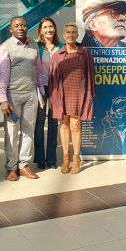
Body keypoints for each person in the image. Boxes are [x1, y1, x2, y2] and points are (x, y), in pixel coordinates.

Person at [0, 16, 45, 181]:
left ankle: (23, 165)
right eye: (16, 26)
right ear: (11, 29)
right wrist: (3, 99)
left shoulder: (33, 46)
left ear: (27, 28)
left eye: (23, 25)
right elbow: (2, 76)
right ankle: (11, 167)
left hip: (31, 94)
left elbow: (38, 71)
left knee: (28, 130)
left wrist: (41, 92)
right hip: (13, 96)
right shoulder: (5, 47)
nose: (20, 28)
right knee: (11, 132)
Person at [49, 22, 96, 174]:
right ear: (64, 35)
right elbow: (52, 78)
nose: (70, 35)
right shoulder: (57, 55)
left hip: (78, 92)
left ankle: (76, 159)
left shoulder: (85, 53)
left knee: (75, 126)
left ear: (77, 35)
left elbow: (90, 75)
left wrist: (90, 94)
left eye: (73, 32)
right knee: (63, 125)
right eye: (68, 32)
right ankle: (65, 158)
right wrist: (52, 96)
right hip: (62, 93)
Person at [34, 17, 63, 170]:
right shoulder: (35, 46)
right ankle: (39, 158)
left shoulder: (61, 47)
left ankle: (51, 158)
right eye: (45, 27)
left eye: (50, 26)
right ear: (40, 30)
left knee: (53, 123)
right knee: (39, 123)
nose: (48, 30)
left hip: (56, 89)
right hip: (40, 88)